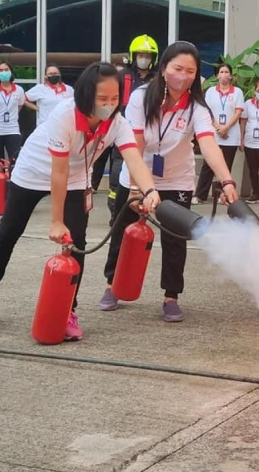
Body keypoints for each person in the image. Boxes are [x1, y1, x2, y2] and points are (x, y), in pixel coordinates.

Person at [0, 62, 159, 341]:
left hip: (76, 179)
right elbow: (57, 171)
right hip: (34, 170)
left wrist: (149, 190)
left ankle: (67, 311)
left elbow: (134, 156)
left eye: (114, 99)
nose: (109, 105)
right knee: (8, 231)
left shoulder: (117, 123)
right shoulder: (66, 114)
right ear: (86, 95)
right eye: (102, 99)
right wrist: (56, 221)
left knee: (77, 243)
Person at [99, 42, 238, 322]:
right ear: (163, 69)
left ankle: (171, 296)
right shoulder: (140, 98)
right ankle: (113, 285)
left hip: (177, 179)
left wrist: (227, 180)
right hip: (138, 175)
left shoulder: (197, 107)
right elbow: (134, 142)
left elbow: (209, 144)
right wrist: (138, 188)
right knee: (122, 233)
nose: (183, 76)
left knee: (176, 239)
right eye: (177, 68)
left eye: (190, 71)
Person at [95, 35, 159, 216]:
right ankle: (116, 213)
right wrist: (101, 124)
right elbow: (108, 101)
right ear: (133, 55)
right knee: (118, 173)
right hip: (120, 132)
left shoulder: (157, 80)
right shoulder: (122, 76)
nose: (144, 58)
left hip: (148, 136)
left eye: (148, 55)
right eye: (141, 54)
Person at [194, 63, 244, 203]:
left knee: (226, 166)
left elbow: (238, 112)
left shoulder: (237, 92)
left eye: (226, 71)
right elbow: (207, 110)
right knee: (208, 165)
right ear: (217, 75)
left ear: (231, 75)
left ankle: (224, 196)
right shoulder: (210, 91)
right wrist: (217, 127)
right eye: (221, 72)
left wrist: (226, 128)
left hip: (231, 135)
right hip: (214, 134)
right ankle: (200, 195)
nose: (224, 75)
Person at [240, 80, 259, 204]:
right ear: (254, 91)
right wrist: (241, 139)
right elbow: (243, 122)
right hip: (250, 142)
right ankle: (256, 193)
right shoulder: (248, 104)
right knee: (253, 169)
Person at [0, 61, 25, 161]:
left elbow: (19, 107)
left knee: (14, 161)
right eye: (0, 70)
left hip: (13, 130)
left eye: (6, 70)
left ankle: (13, 177)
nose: (3, 72)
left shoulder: (19, 90)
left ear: (11, 72)